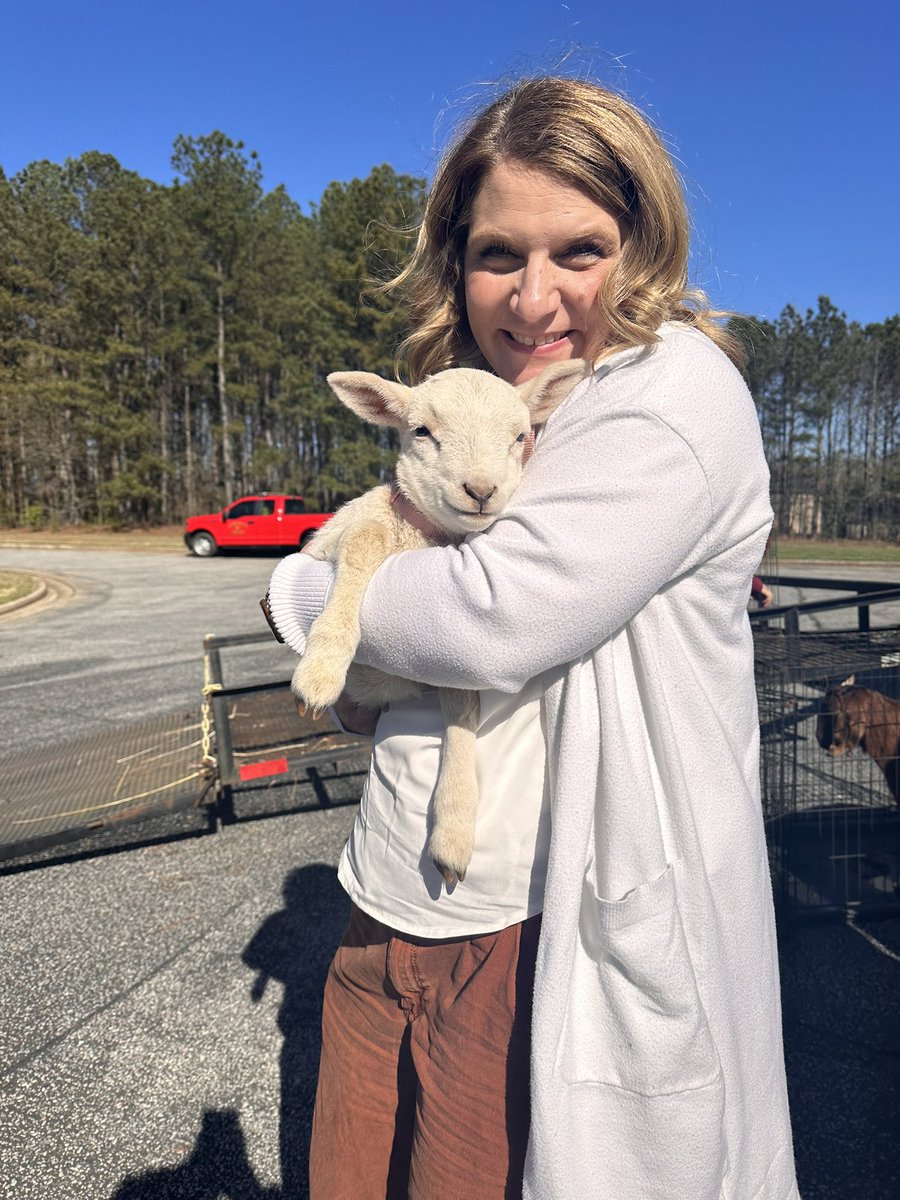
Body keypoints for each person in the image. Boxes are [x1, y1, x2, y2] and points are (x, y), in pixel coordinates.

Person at [265, 76, 799, 1200]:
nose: (537, 298)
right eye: (500, 253)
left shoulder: (664, 394)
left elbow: (488, 616)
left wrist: (306, 598)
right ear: (455, 260)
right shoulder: (513, 404)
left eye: (581, 251)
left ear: (644, 242)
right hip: (420, 887)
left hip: (566, 898)